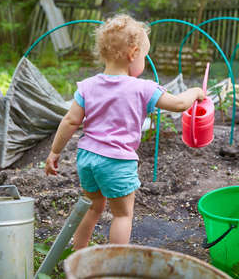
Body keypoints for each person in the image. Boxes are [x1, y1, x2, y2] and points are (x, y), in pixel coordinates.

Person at [44, 14, 205, 249]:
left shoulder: (88, 85)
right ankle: (114, 266)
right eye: (145, 56)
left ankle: (79, 257)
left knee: (92, 208)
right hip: (117, 162)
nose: (145, 61)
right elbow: (180, 104)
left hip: (87, 158)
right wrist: (195, 92)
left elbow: (70, 121)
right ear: (133, 54)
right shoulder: (143, 88)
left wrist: (54, 152)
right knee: (122, 215)